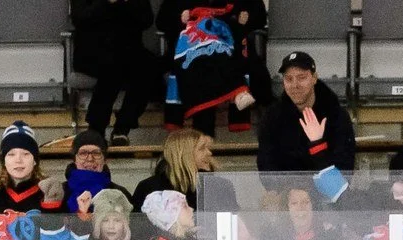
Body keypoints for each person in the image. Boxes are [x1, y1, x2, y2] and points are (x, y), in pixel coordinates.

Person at [159, 0, 263, 135]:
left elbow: (259, 17)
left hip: (232, 45)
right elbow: (161, 21)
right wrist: (180, 18)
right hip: (191, 51)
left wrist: (245, 18)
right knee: (201, 74)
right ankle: (204, 138)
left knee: (258, 76)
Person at [71, 0, 162, 146]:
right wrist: (106, 3)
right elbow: (79, 18)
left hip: (129, 50)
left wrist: (128, 4)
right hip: (92, 52)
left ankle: (122, 126)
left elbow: (146, 20)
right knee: (113, 64)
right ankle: (97, 128)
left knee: (149, 67)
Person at [255, 49, 356, 175]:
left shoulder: (337, 116)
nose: (295, 85)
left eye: (301, 77)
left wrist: (317, 144)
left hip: (327, 187)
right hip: (286, 187)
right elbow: (266, 168)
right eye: (289, 79)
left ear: (314, 78)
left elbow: (344, 172)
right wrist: (288, 186)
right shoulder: (272, 117)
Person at [129, 127, 215, 210]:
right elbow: (137, 219)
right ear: (183, 153)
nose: (209, 153)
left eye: (208, 148)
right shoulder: (150, 188)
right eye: (202, 148)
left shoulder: (214, 186)